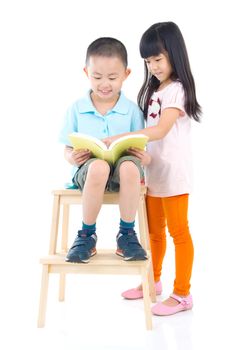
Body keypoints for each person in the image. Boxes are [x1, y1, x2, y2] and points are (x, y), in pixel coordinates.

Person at [103, 22, 202, 316]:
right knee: (154, 234)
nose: (153, 66)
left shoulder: (178, 90)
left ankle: (183, 294)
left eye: (158, 59)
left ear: (174, 54)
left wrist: (121, 138)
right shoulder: (155, 90)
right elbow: (151, 134)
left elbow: (159, 131)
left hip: (175, 175)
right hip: (153, 174)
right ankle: (152, 281)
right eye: (148, 61)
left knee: (179, 233)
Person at [59, 37, 151, 264]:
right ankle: (86, 235)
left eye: (112, 77)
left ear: (126, 75)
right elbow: (67, 149)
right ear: (86, 72)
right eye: (97, 77)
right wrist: (73, 156)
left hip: (124, 174)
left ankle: (127, 234)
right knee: (98, 167)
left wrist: (142, 156)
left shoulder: (131, 110)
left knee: (130, 167)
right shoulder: (77, 109)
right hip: (89, 172)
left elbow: (142, 145)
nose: (104, 84)